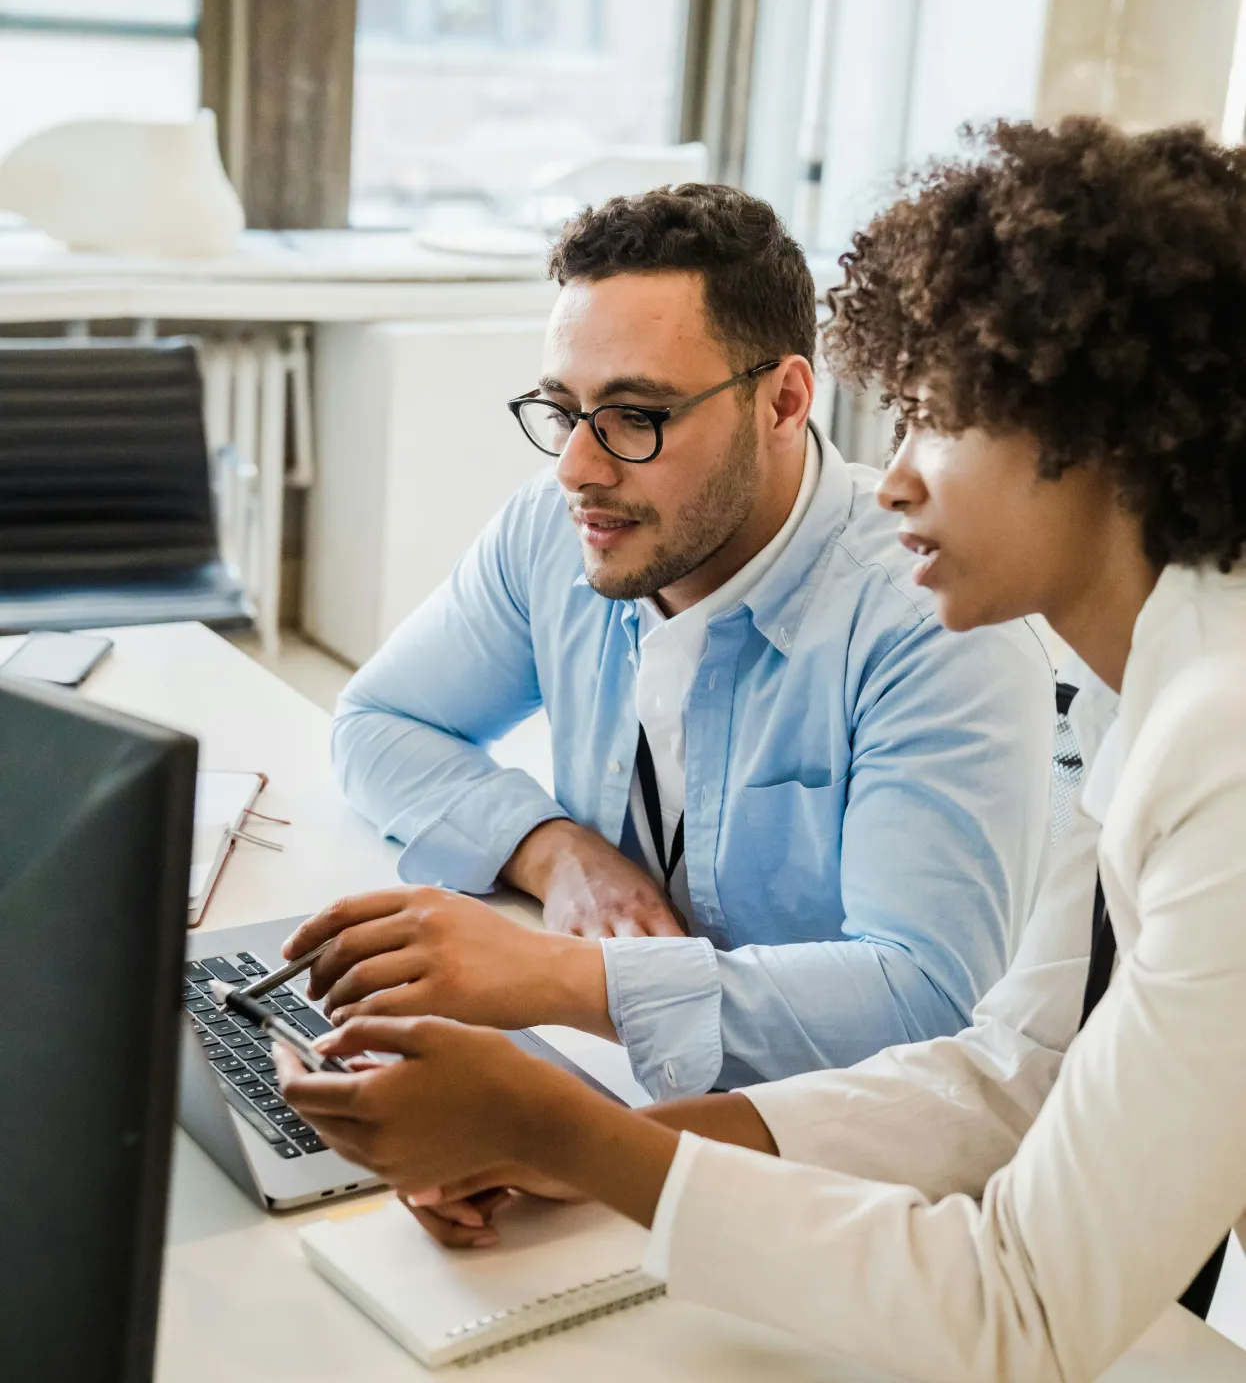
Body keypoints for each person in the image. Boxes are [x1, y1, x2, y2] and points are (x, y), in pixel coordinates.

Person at [278, 119, 1246, 1383]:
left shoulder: (1219, 753)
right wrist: (588, 1143)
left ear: (1104, 439)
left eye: (936, 419)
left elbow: (1019, 1307)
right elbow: (1008, 1076)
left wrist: (585, 1136)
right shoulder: (1138, 700)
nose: (894, 480)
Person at [297, 184, 1054, 1101]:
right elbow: (379, 721)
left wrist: (553, 977)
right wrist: (553, 850)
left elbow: (927, 1004)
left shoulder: (934, 620)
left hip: (823, 1151)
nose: (577, 466)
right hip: (613, 1079)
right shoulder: (559, 528)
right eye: (562, 409)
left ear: (782, 401)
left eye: (635, 416)